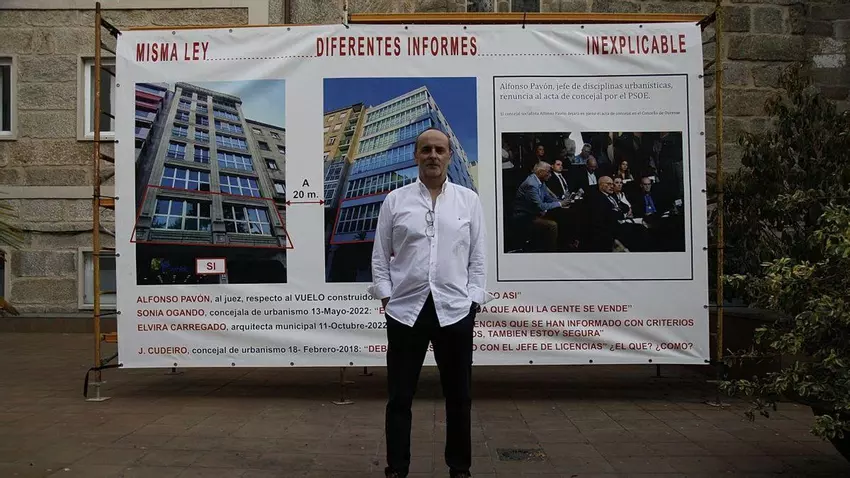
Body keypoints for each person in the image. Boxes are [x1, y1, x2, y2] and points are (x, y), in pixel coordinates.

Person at [368, 128, 491, 478]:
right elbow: (380, 255)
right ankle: (397, 468)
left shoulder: (468, 200)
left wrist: (473, 299)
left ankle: (459, 468)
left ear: (449, 155)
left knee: (459, 396)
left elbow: (478, 257)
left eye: (439, 149)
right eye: (426, 150)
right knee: (400, 397)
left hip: (455, 310)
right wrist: (387, 295)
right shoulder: (396, 200)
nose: (433, 155)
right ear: (416, 156)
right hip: (406, 312)